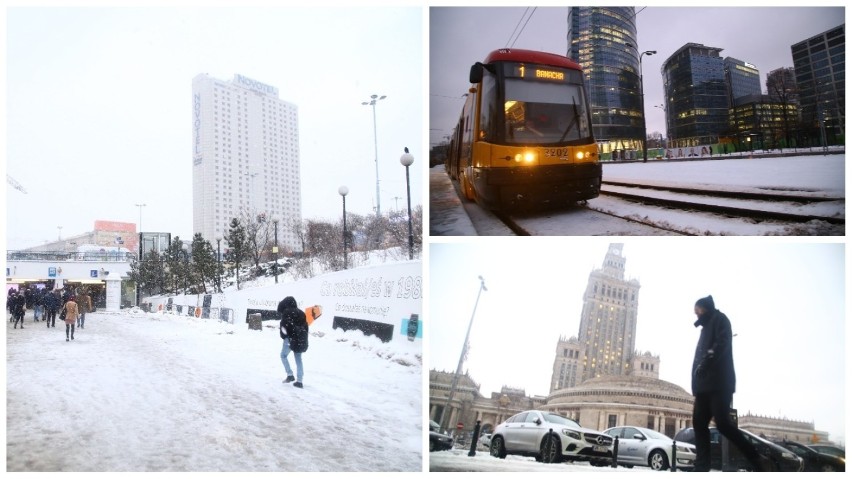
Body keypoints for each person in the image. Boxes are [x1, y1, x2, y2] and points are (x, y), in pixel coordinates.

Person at [691, 295, 770, 471]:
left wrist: (706, 362)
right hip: (703, 386)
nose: (696, 314)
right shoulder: (704, 329)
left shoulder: (720, 320)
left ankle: (756, 458)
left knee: (723, 424)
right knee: (698, 423)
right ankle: (701, 467)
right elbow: (698, 359)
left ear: (706, 307)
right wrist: (695, 384)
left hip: (720, 383)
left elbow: (722, 343)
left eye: (698, 310)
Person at [277, 296, 308, 388]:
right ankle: (299, 381)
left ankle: (290, 375)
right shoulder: (302, 313)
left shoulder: (286, 312)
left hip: (290, 339)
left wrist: (284, 336)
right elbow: (305, 327)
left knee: (283, 355)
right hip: (300, 339)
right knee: (298, 359)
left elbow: (284, 327)